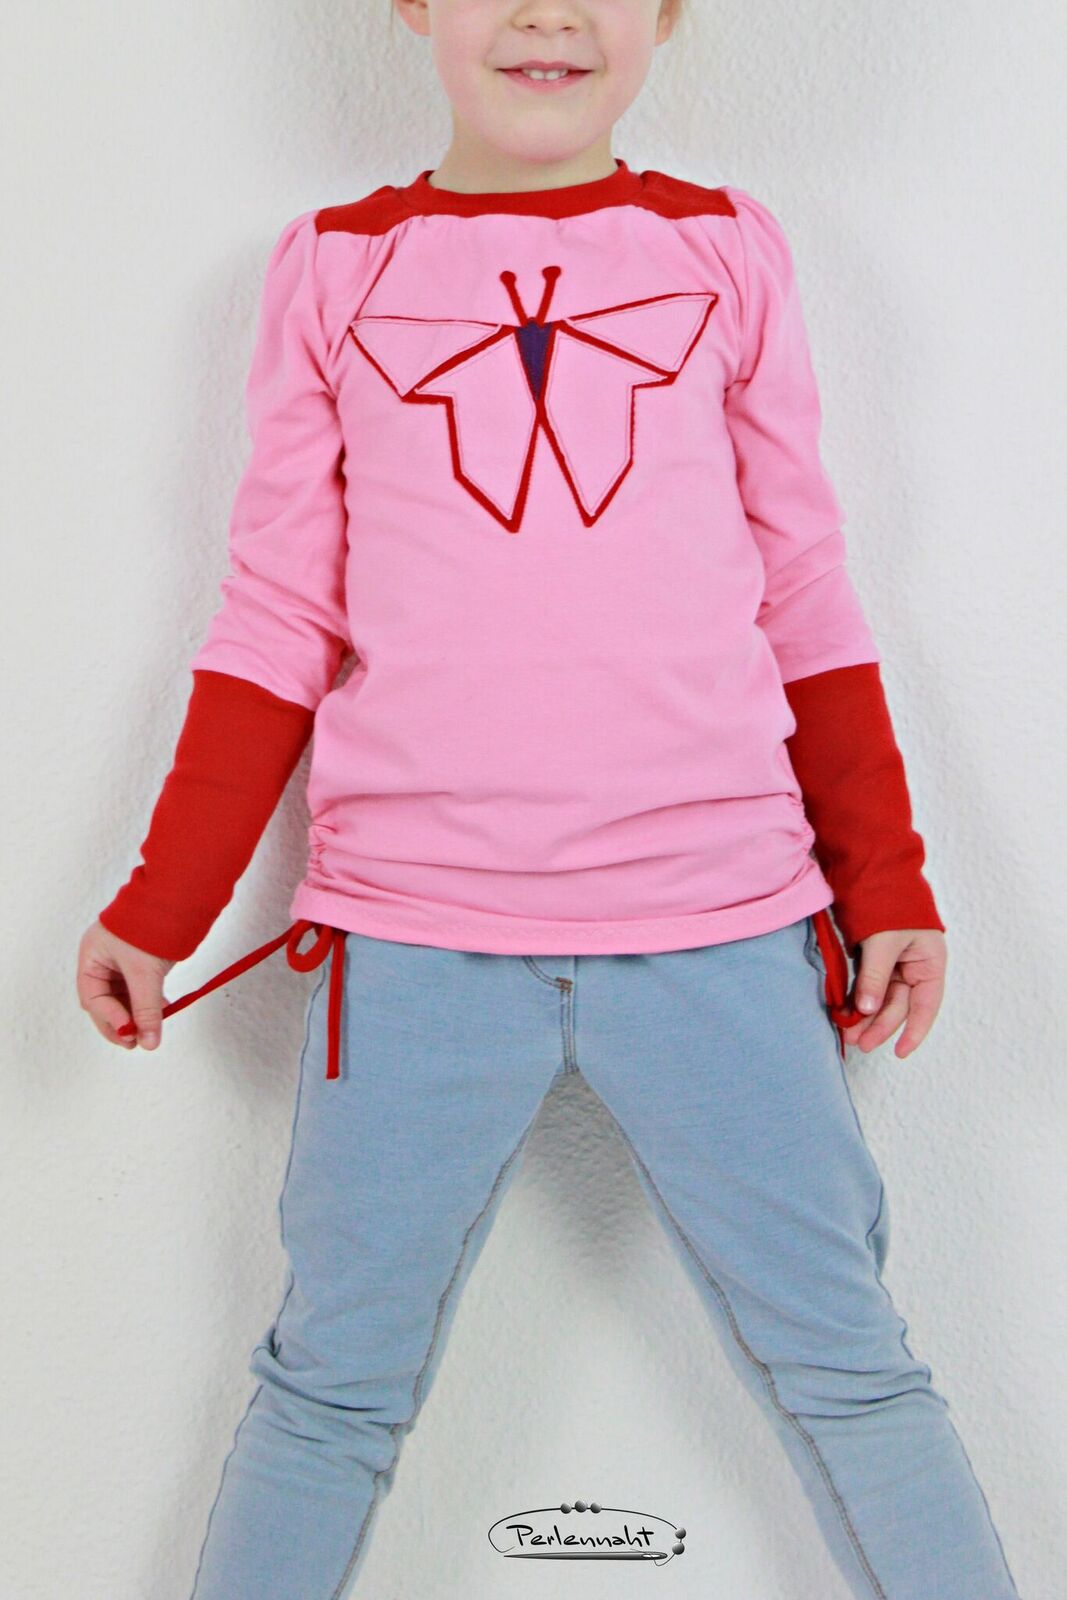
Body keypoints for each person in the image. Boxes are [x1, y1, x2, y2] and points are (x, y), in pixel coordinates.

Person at [75, 2, 1023, 1596]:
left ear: (666, 12)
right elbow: (276, 617)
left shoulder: (723, 251)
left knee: (849, 1365)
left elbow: (805, 590)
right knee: (330, 1387)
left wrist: (891, 878)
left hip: (723, 929)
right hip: (407, 945)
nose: (544, 12)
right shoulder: (335, 268)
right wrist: (161, 905)